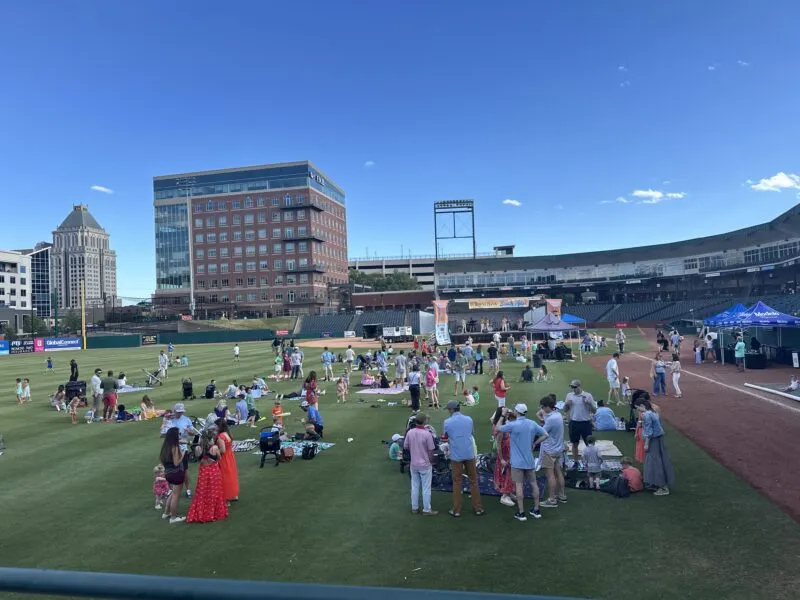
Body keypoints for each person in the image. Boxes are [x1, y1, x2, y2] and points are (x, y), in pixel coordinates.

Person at [497, 403, 547, 521]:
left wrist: (502, 416)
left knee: (519, 486)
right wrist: (535, 443)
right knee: (534, 484)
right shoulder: (532, 423)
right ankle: (536, 509)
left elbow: (498, 428)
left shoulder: (513, 425)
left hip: (517, 462)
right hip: (529, 461)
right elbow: (545, 435)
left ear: (517, 412)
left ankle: (521, 512)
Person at [443, 401, 484, 517]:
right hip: (469, 453)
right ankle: (478, 508)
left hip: (456, 456)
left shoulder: (447, 422)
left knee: (457, 482)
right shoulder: (469, 419)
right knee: (473, 481)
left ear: (451, 410)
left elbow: (445, 436)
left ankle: (456, 510)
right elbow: (471, 433)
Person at [187, 429, 229, 523]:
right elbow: (219, 458)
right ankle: (214, 513)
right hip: (214, 472)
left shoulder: (197, 448)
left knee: (202, 493)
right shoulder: (214, 448)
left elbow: (198, 458)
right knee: (215, 492)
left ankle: (201, 514)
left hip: (203, 472)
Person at [638, 398, 674, 496]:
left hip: (653, 440)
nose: (638, 410)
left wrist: (646, 443)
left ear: (642, 406)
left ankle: (663, 487)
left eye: (638, 407)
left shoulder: (646, 415)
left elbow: (649, 431)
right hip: (659, 439)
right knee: (658, 461)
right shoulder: (653, 412)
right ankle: (656, 483)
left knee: (654, 462)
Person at [404, 412, 438, 515]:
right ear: (424, 421)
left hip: (413, 464)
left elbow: (406, 446)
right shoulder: (427, 434)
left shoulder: (410, 432)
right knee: (426, 487)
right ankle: (427, 509)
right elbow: (431, 450)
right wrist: (432, 461)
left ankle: (414, 508)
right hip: (425, 465)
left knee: (414, 486)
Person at [537, 395, 566, 507]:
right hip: (558, 448)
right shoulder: (558, 415)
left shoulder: (551, 419)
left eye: (544, 407)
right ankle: (562, 495)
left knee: (550, 475)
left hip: (549, 450)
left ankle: (552, 499)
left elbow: (542, 433)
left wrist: (534, 443)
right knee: (558, 471)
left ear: (548, 407)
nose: (543, 409)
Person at [165, 403, 200, 497]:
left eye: (181, 412)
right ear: (174, 411)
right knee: (170, 468)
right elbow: (164, 433)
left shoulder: (186, 419)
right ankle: (171, 489)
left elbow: (193, 433)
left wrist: (188, 431)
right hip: (171, 447)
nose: (180, 414)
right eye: (178, 412)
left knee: (184, 469)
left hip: (182, 448)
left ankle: (188, 489)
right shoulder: (169, 419)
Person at [564, 379, 596, 468]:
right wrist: (567, 404)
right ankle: (575, 461)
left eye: (575, 387)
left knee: (589, 444)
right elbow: (565, 410)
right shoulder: (569, 395)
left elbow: (594, 410)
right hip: (573, 423)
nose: (573, 389)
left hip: (586, 423)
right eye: (572, 387)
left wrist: (589, 403)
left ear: (579, 386)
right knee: (574, 443)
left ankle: (590, 461)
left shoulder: (587, 396)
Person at [159, 427, 187, 524]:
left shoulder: (165, 446)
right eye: (178, 434)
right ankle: (173, 517)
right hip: (177, 473)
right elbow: (176, 462)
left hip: (168, 473)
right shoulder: (175, 447)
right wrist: (183, 454)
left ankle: (166, 512)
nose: (179, 435)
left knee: (172, 493)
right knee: (176, 495)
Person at [491, 408, 515, 506]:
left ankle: (509, 492)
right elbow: (498, 445)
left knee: (509, 474)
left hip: (508, 453)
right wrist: (501, 459)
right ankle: (505, 495)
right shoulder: (500, 428)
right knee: (507, 474)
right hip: (505, 455)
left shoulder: (505, 423)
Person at [214, 418, 240, 502]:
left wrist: (215, 450)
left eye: (216, 425)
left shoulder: (220, 436)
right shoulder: (227, 433)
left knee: (224, 477)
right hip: (230, 456)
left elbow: (223, 450)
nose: (215, 426)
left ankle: (226, 498)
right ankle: (234, 494)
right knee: (231, 475)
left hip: (224, 458)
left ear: (219, 426)